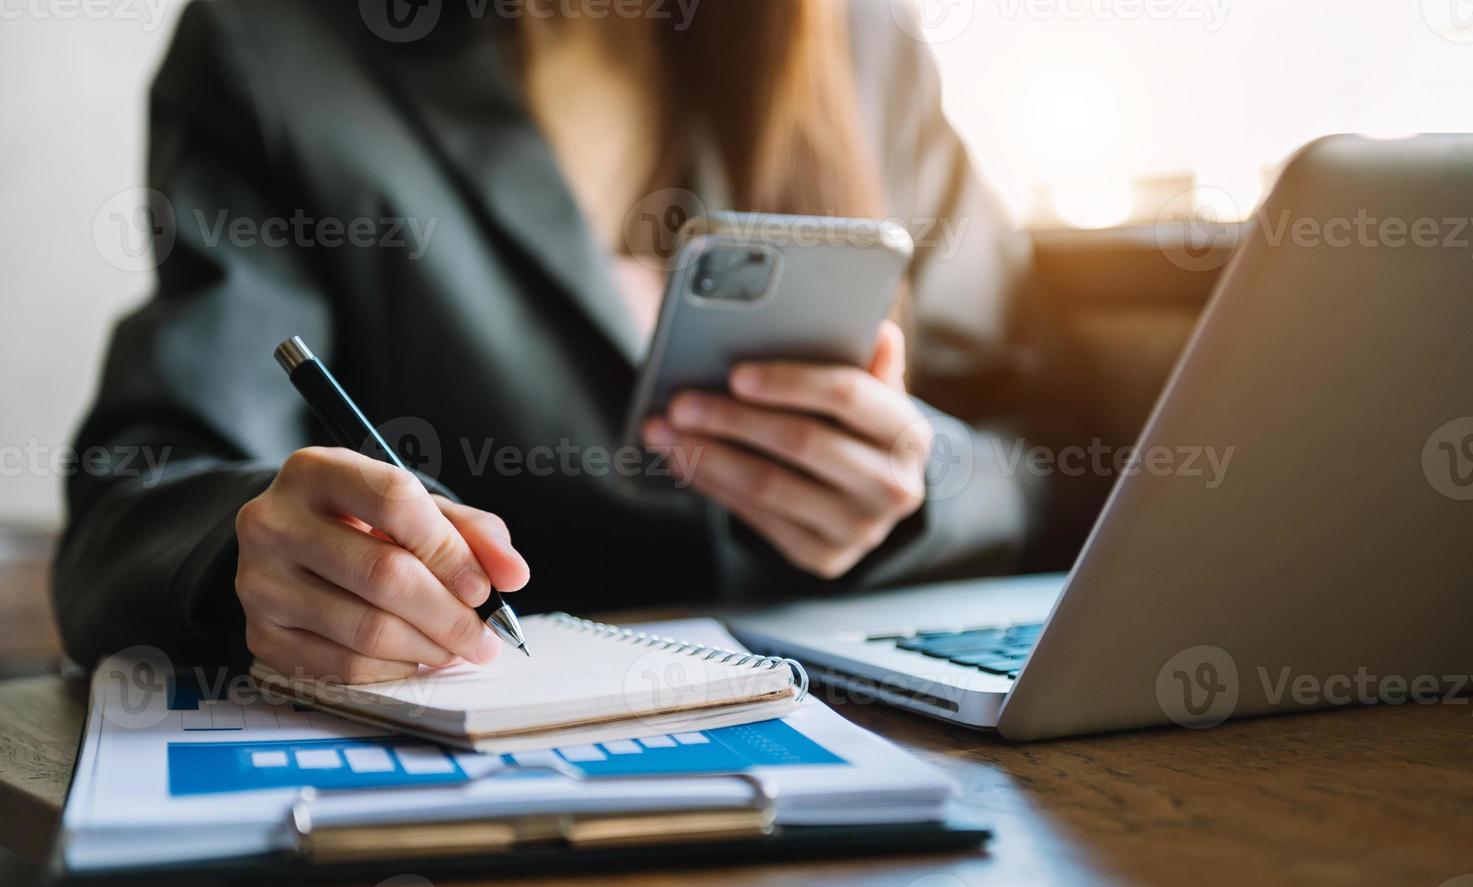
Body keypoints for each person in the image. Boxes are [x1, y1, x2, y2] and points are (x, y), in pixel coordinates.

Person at [53, 0, 1048, 681]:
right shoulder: (273, 45)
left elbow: (1038, 445)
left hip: (845, 739)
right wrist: (251, 556)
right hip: (471, 771)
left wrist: (915, 489)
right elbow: (128, 513)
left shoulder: (862, 40)